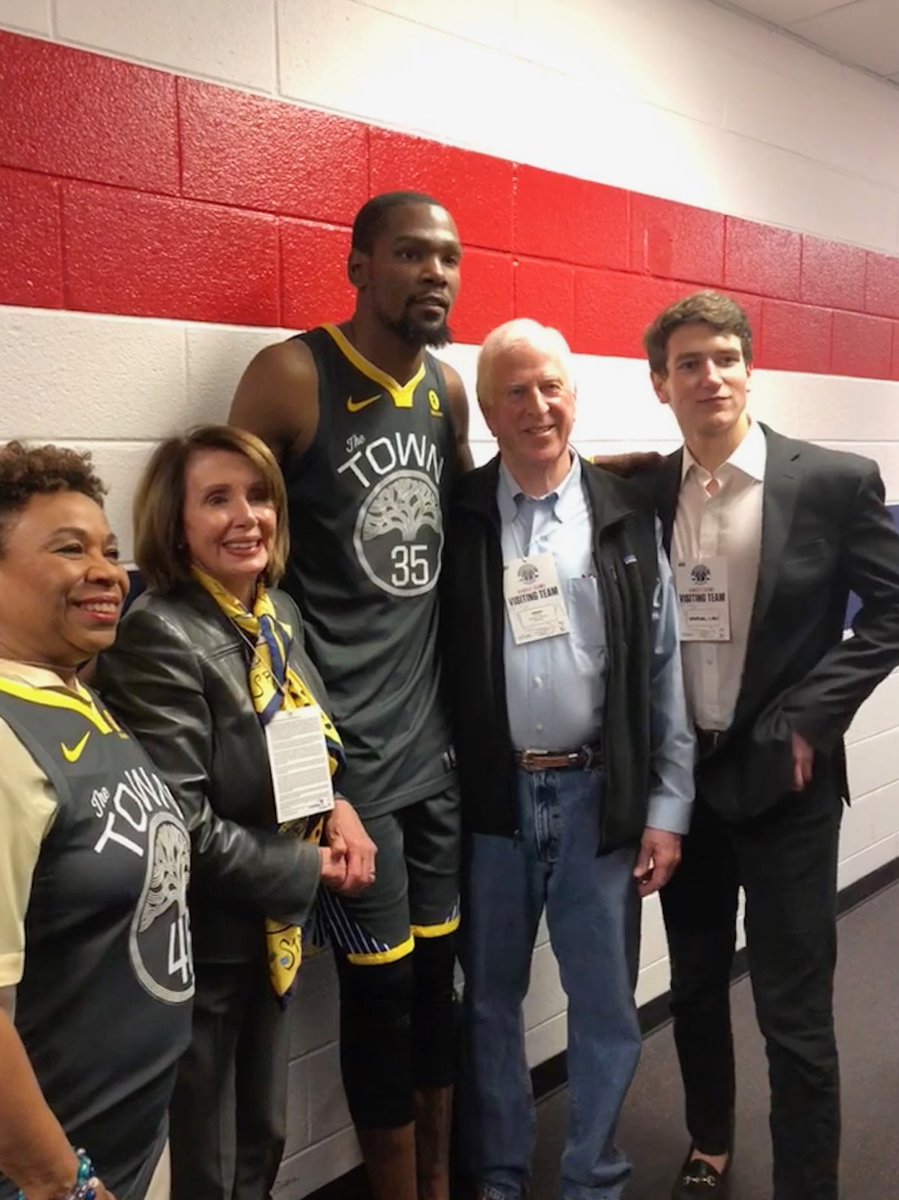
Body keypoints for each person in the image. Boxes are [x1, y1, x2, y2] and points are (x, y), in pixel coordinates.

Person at [229, 192, 471, 1200]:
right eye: (411, 254)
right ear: (358, 266)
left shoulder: (448, 391)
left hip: (436, 760)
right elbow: (235, 588)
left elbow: (472, 532)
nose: (435, 274)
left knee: (433, 997)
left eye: (449, 258)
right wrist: (308, 778)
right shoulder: (292, 377)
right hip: (350, 769)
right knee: (377, 1008)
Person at [641, 291, 899, 1200]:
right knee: (697, 987)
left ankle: (807, 1184)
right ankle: (709, 1140)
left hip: (786, 788)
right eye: (687, 364)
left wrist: (810, 712)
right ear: (660, 385)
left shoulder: (829, 480)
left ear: (749, 369)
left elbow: (892, 610)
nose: (708, 375)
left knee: (794, 1011)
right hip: (685, 790)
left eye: (723, 357)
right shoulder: (644, 489)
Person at [442, 319, 696, 1200]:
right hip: (492, 805)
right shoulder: (460, 518)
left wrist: (667, 807)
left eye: (550, 385)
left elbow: (663, 672)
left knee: (604, 1010)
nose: (536, 405)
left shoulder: (625, 517)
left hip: (599, 798)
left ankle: (594, 1176)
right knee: (486, 1005)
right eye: (514, 390)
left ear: (575, 395)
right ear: (487, 409)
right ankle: (502, 1177)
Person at [95, 425, 376, 1200]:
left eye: (258, 496)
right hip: (210, 946)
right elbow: (177, 826)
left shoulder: (273, 612)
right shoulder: (158, 634)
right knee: (213, 1160)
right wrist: (308, 865)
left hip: (272, 931)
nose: (246, 516)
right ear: (175, 524)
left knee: (264, 1136)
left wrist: (338, 809)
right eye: (216, 499)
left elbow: (303, 740)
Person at [0, 441, 193, 1200]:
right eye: (68, 548)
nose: (109, 571)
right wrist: (57, 1182)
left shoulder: (78, 694)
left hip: (129, 1138)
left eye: (111, 549)